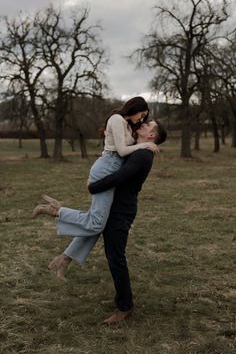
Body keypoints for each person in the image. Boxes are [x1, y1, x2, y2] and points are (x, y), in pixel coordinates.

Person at [35, 119, 167, 325]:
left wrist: (93, 187)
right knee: (97, 234)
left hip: (121, 213)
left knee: (116, 258)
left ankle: (125, 307)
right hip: (115, 208)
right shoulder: (138, 149)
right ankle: (67, 261)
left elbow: (118, 177)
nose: (143, 124)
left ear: (151, 136)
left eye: (148, 125)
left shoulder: (142, 156)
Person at [32, 97, 158, 277]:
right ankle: (55, 210)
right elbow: (122, 151)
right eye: (142, 114)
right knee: (96, 223)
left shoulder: (128, 125)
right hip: (107, 168)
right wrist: (146, 144)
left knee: (98, 223)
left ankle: (64, 260)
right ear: (135, 108)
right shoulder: (117, 119)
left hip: (112, 169)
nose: (142, 119)